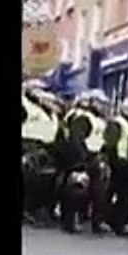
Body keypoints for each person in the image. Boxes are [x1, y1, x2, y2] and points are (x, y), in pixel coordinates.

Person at [61, 89, 111, 234]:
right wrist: (82, 158)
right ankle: (70, 222)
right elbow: (77, 139)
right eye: (99, 103)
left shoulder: (100, 121)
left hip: (97, 159)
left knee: (99, 193)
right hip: (84, 159)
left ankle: (97, 223)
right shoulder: (83, 118)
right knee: (77, 192)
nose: (102, 107)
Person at [22, 80, 61, 226]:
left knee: (42, 182)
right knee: (29, 181)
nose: (41, 93)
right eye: (37, 90)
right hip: (28, 144)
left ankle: (35, 210)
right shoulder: (25, 104)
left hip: (45, 148)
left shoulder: (48, 110)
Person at [105, 102, 128, 237]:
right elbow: (112, 143)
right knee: (119, 194)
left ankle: (114, 220)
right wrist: (115, 161)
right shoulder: (118, 123)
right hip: (120, 163)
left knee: (124, 195)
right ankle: (116, 223)